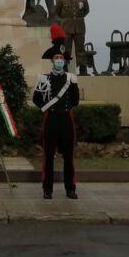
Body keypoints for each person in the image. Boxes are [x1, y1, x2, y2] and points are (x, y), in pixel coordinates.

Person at [33, 25, 79, 200]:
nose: (59, 60)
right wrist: (47, 107)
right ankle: (47, 189)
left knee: (68, 157)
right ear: (52, 60)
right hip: (51, 119)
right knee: (48, 155)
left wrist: (64, 108)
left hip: (66, 119)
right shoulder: (43, 78)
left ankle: (70, 189)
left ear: (65, 61)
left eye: (61, 58)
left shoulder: (71, 79)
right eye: (56, 58)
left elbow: (75, 100)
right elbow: (36, 99)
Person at [54, 0, 91, 75]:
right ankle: (64, 67)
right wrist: (65, 20)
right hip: (66, 27)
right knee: (66, 48)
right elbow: (57, 11)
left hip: (79, 27)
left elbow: (87, 10)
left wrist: (79, 17)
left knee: (80, 48)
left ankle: (82, 69)